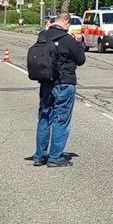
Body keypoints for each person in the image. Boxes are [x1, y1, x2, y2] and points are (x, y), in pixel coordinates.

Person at [30, 13, 87, 167]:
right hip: (64, 83)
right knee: (61, 120)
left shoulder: (43, 36)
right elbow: (80, 60)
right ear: (66, 22)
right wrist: (79, 43)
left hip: (46, 82)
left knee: (44, 118)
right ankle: (55, 157)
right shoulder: (67, 39)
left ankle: (40, 155)